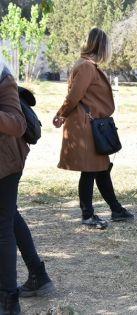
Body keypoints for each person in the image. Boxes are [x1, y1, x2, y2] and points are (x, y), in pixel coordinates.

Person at [53, 28, 133, 229]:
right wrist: (61, 114)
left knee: (101, 168)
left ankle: (116, 209)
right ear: (100, 46)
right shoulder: (87, 67)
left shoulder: (87, 66)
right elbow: (74, 96)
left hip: (89, 123)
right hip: (85, 125)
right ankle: (88, 215)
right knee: (90, 170)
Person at [0, 62, 55, 315]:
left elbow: (16, 124)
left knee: (3, 225)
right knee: (9, 215)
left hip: (6, 161)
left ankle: (9, 302)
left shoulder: (3, 78)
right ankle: (38, 274)